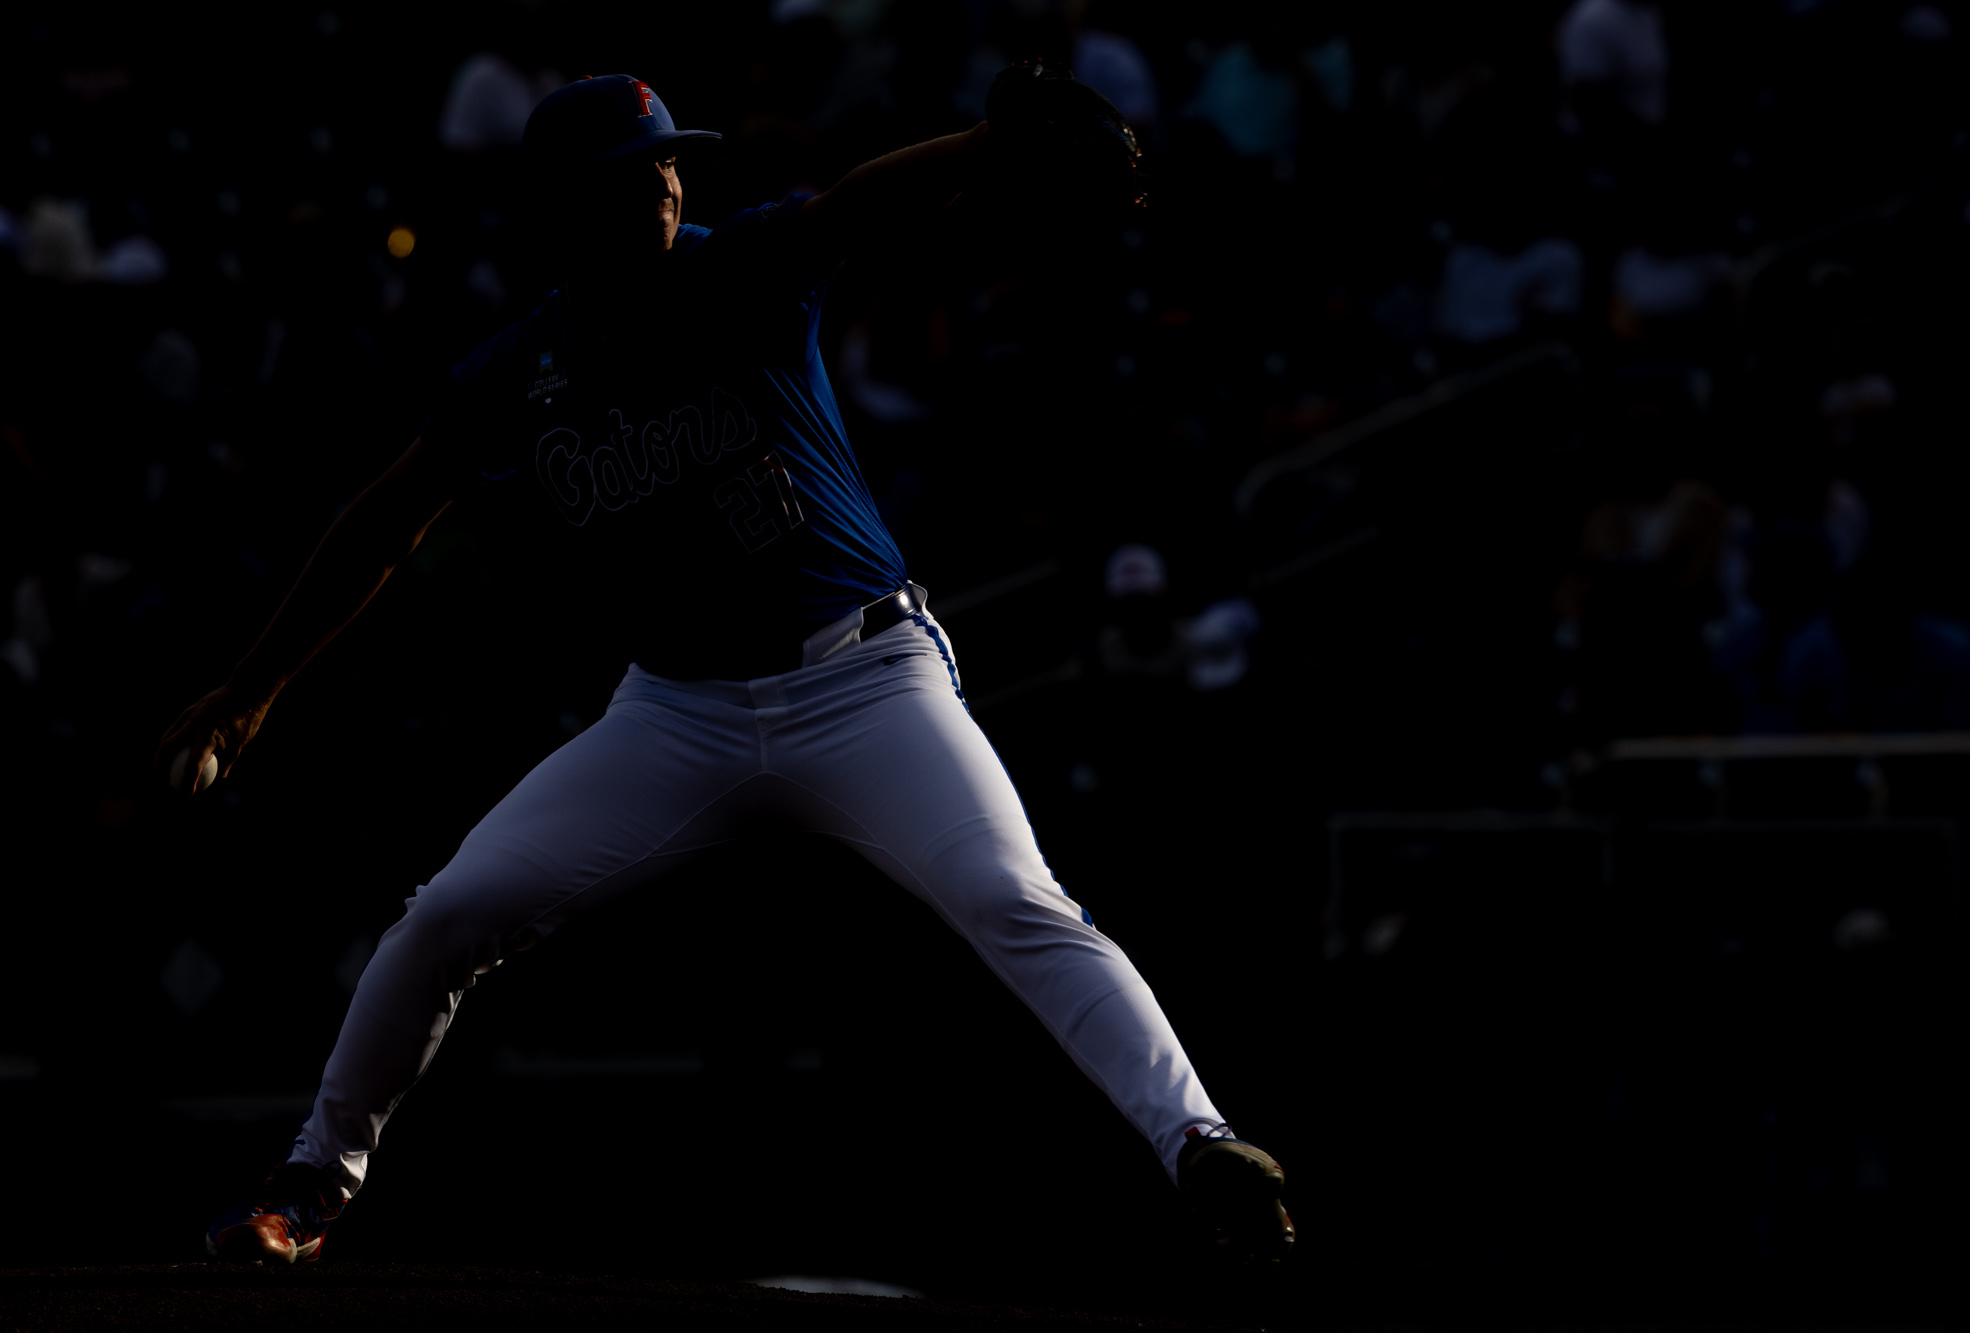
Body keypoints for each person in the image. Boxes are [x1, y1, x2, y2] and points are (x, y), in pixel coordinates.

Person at [156, 71, 1291, 1267]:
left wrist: (980, 143)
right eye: (629, 165)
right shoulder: (521, 367)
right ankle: (308, 1189)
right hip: (676, 710)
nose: (662, 177)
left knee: (1010, 895)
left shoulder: (730, 266)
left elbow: (853, 205)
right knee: (446, 915)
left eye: (668, 156)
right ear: (563, 204)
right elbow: (385, 518)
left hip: (861, 676)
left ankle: (1198, 1140)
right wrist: (256, 684)